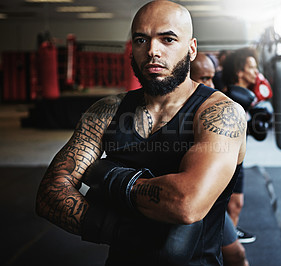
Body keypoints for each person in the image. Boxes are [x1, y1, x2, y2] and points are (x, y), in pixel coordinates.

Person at [35, 1, 247, 265]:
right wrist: (130, 234)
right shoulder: (105, 111)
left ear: (191, 49)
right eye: (140, 40)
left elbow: (186, 203)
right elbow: (49, 195)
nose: (152, 51)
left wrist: (107, 176)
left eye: (167, 39)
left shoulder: (221, 114)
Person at [190, 52, 249, 266]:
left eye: (212, 77)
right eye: (204, 78)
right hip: (187, 202)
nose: (212, 84)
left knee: (236, 255)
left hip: (213, 204)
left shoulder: (217, 108)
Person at [222, 47, 261, 244]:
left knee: (236, 204)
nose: (256, 72)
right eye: (252, 67)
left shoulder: (247, 97)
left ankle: (230, 238)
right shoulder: (231, 96)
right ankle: (226, 247)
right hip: (224, 158)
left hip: (238, 157)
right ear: (240, 72)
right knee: (231, 204)